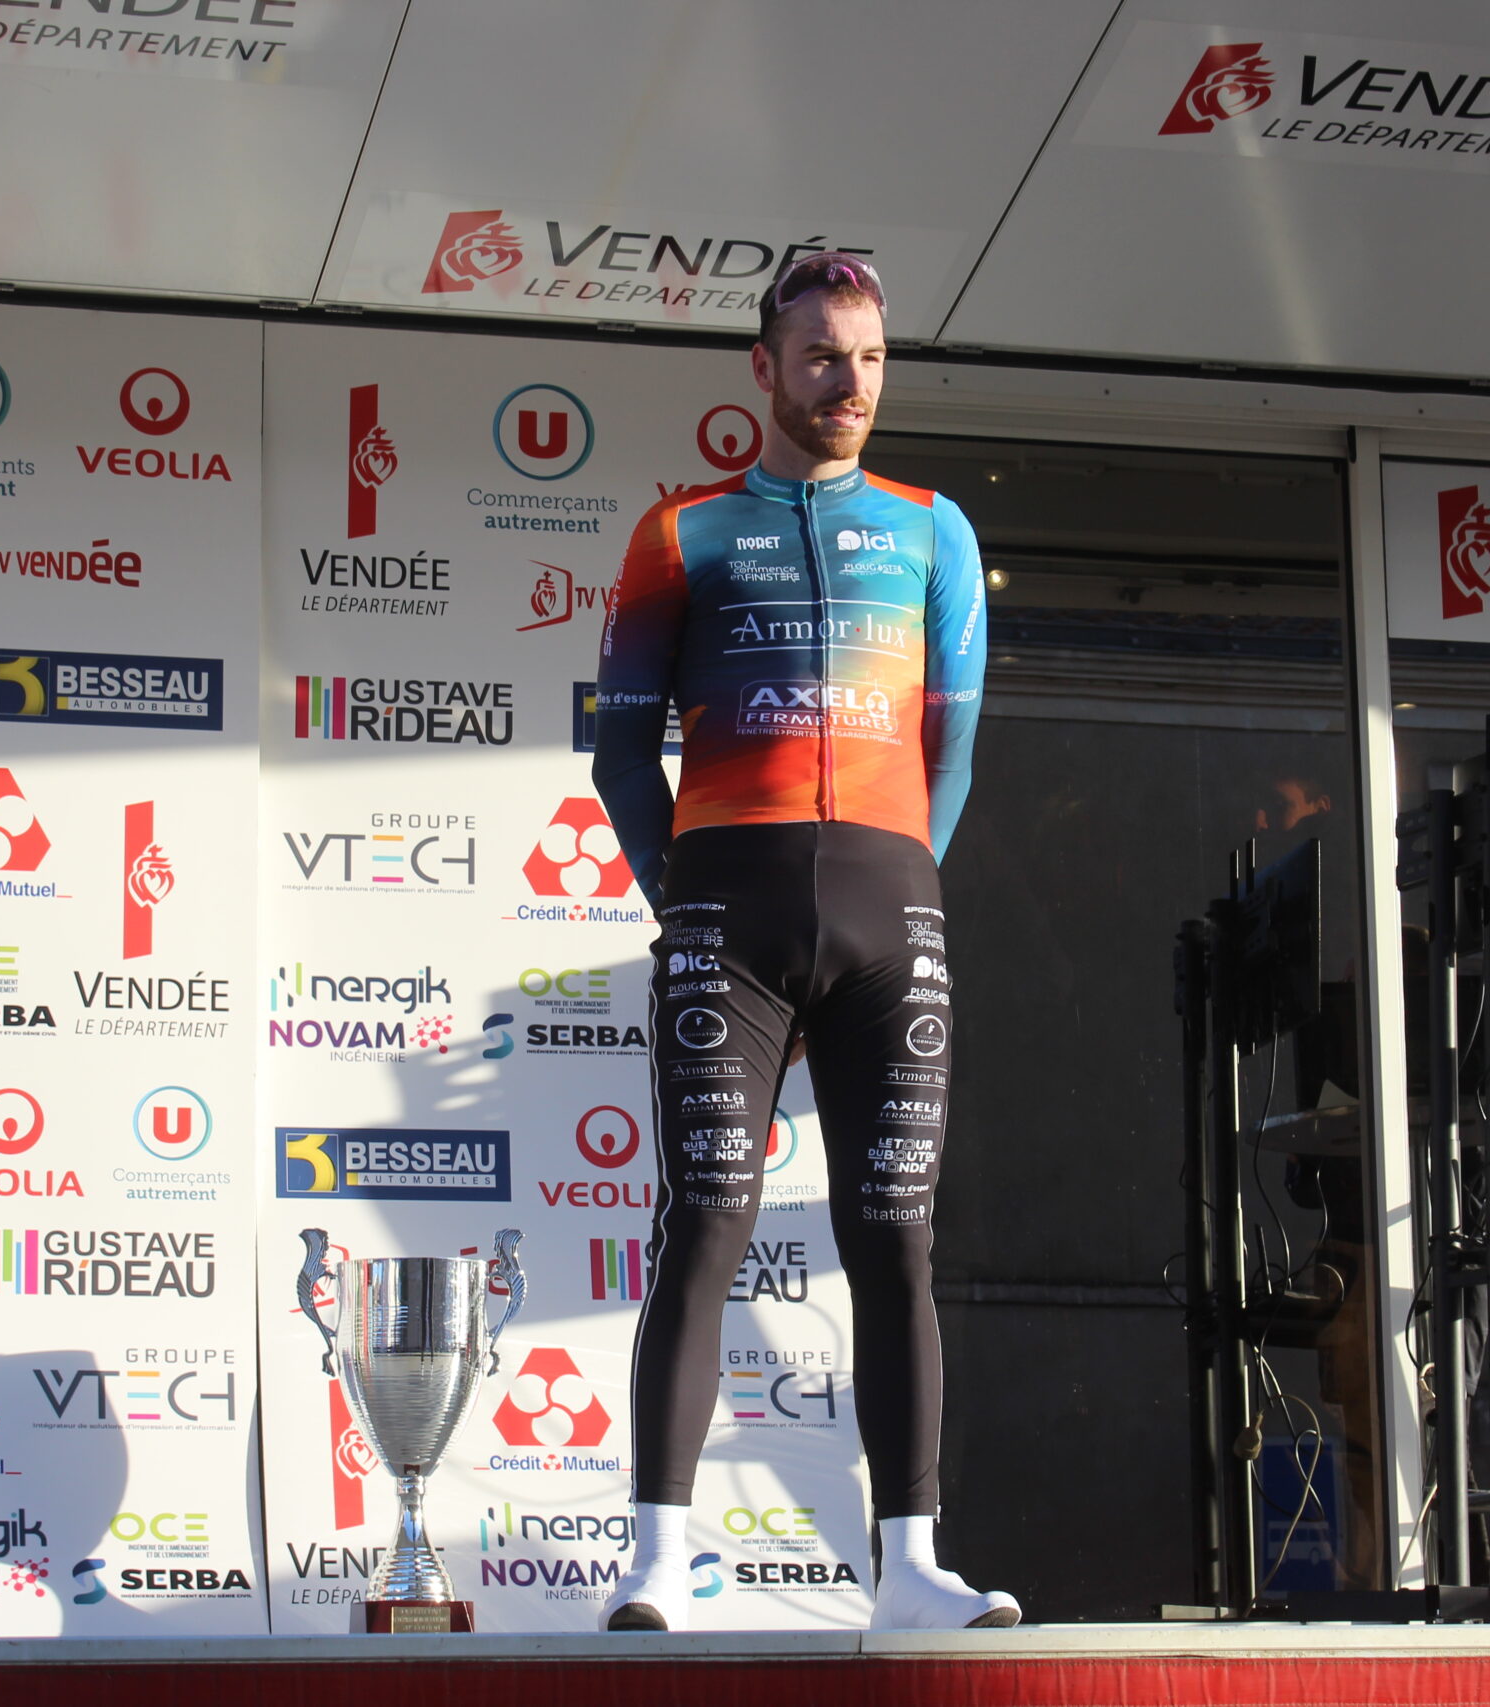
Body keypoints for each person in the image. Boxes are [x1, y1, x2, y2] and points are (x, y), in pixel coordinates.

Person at [588, 252, 1014, 1632]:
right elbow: (618, 756)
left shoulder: (935, 530)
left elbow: (951, 748)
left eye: (871, 358)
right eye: (824, 356)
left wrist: (904, 885)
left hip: (891, 911)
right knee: (707, 1220)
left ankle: (913, 1570)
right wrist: (684, 900)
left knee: (895, 1238)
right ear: (764, 369)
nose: (851, 383)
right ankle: (657, 1560)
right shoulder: (681, 532)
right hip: (729, 903)